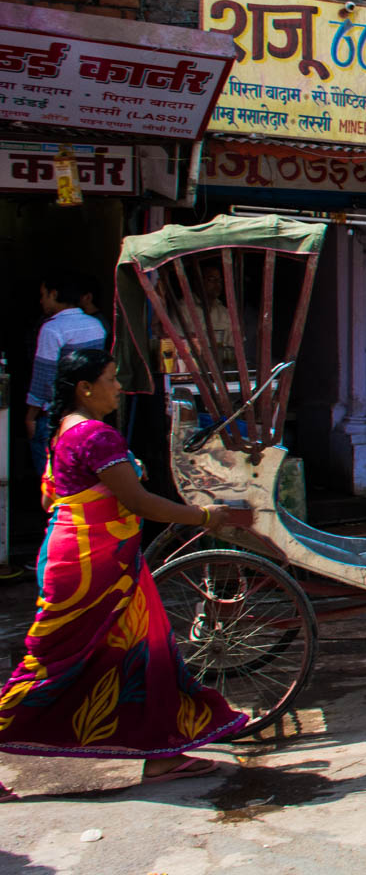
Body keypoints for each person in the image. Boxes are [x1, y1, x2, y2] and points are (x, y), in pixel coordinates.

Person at [0, 350, 254, 798]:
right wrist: (204, 516)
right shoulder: (96, 437)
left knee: (147, 653)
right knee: (50, 666)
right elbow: (140, 503)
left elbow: (49, 500)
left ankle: (162, 755)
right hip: (90, 569)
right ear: (85, 388)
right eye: (111, 379)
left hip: (94, 560)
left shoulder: (63, 433)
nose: (118, 387)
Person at [25, 271, 108, 483]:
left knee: (52, 477)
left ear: (54, 294)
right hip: (86, 412)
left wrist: (31, 416)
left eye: (44, 294)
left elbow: (44, 378)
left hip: (56, 416)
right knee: (81, 474)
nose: (41, 300)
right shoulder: (95, 325)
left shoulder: (52, 328)